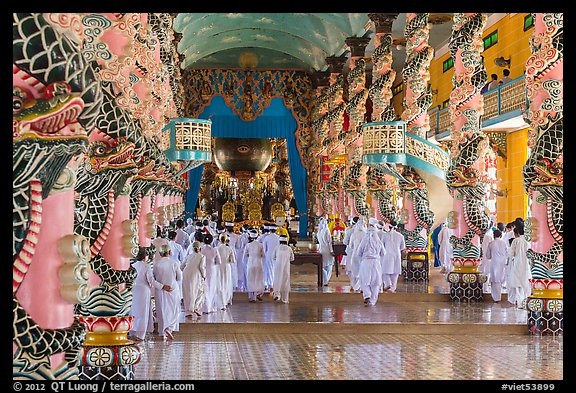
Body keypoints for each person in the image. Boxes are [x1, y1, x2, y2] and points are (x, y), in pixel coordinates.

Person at [129, 247, 165, 341]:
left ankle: (132, 332)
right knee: (143, 313)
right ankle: (140, 335)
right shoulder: (146, 266)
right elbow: (151, 280)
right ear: (145, 256)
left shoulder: (132, 266)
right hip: (143, 291)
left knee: (134, 311)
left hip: (134, 290)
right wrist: (162, 286)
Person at [152, 244, 181, 341]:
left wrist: (162, 286)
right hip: (172, 289)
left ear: (160, 253)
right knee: (174, 310)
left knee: (161, 311)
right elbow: (179, 277)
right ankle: (170, 328)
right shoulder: (174, 263)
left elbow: (154, 279)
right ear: (169, 252)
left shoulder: (156, 264)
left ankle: (162, 333)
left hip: (160, 290)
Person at [356, 218, 385, 306]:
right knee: (375, 283)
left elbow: (358, 252)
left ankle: (367, 295)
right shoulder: (378, 242)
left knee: (365, 280)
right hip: (376, 263)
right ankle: (372, 301)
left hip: (365, 262)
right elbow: (383, 253)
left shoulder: (364, 241)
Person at [507, 226, 532, 307]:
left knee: (518, 285)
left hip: (518, 263)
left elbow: (511, 253)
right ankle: (527, 302)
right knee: (526, 283)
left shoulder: (516, 241)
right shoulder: (528, 241)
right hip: (527, 263)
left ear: (517, 233)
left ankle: (521, 303)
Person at [181, 241, 206, 319]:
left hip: (186, 273)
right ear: (200, 249)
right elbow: (202, 267)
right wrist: (204, 275)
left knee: (187, 292)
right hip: (195, 274)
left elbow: (182, 266)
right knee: (199, 291)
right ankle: (195, 307)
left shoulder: (189, 256)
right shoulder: (202, 256)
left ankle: (188, 311)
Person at [199, 233, 222, 314]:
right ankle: (209, 307)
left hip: (202, 270)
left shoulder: (201, 249)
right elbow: (219, 262)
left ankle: (203, 306)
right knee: (211, 287)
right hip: (212, 270)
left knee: (203, 288)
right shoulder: (214, 250)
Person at [381, 221, 406, 293]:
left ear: (389, 227)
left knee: (385, 271)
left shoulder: (385, 235)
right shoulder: (400, 236)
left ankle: (388, 284)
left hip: (387, 255)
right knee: (395, 272)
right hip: (397, 255)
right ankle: (393, 288)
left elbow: (382, 247)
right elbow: (403, 249)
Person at [485, 230, 508, 302]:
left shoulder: (491, 243)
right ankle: (498, 297)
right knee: (500, 280)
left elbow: (488, 256)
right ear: (501, 236)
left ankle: (496, 298)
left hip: (494, 263)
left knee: (494, 280)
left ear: (493, 235)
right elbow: (507, 253)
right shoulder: (504, 243)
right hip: (503, 263)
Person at [243, 228, 265, 303]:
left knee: (251, 279)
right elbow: (263, 255)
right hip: (259, 263)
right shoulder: (260, 245)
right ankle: (258, 293)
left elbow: (245, 256)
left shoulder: (248, 245)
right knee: (258, 279)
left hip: (250, 263)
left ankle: (252, 297)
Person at [271, 235, 294, 303]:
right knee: (285, 281)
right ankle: (285, 299)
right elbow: (292, 258)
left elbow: (273, 257)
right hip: (286, 267)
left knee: (277, 279)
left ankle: (277, 295)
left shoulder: (276, 248)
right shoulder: (289, 248)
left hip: (277, 266)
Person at [215, 233, 236, 308]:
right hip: (227, 267)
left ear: (219, 240)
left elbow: (215, 260)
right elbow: (233, 260)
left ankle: (220, 300)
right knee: (227, 283)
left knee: (219, 283)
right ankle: (226, 300)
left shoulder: (216, 248)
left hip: (219, 267)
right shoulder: (229, 249)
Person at [347, 217, 367, 291]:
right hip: (363, 255)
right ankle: (360, 286)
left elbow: (350, 245)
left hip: (354, 254)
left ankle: (354, 285)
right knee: (362, 271)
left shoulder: (353, 234)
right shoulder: (366, 234)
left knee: (354, 270)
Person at [316, 217, 335, 286]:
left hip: (321, 249)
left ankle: (325, 280)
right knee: (329, 265)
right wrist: (332, 250)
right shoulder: (326, 230)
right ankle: (326, 280)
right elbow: (329, 242)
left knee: (323, 265)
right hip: (327, 249)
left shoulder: (319, 232)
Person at [262, 224, 279, 292]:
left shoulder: (267, 238)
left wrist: (266, 254)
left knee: (268, 270)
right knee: (275, 269)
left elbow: (264, 248)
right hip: (277, 255)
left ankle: (269, 285)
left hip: (269, 255)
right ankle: (273, 284)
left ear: (270, 230)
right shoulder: (278, 237)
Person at [225, 222, 239, 291]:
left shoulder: (223, 235)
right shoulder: (236, 236)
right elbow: (238, 246)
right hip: (233, 252)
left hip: (224, 252)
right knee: (233, 269)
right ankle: (234, 284)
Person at [480, 225, 494, 294]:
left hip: (482, 256)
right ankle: (485, 287)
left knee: (482, 271)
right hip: (488, 256)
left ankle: (482, 287)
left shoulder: (481, 236)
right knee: (487, 272)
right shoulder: (489, 237)